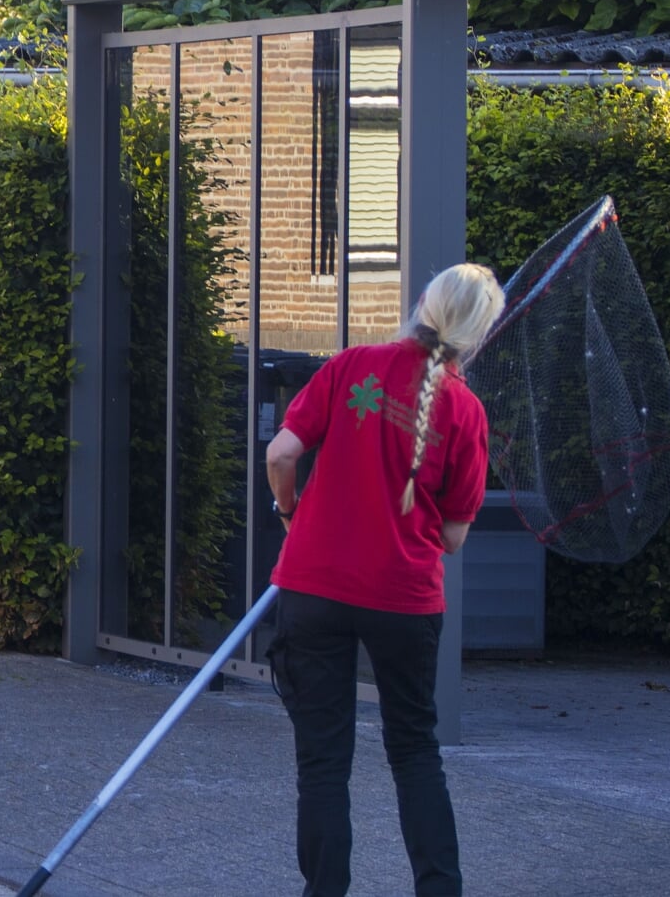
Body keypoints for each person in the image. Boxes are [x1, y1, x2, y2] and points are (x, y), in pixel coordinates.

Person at [264, 263, 506, 897]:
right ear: (476, 337)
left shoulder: (350, 366)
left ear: (423, 301)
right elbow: (453, 536)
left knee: (322, 762)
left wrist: (290, 514)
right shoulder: (466, 411)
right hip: (404, 598)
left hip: (314, 586)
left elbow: (281, 454)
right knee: (415, 752)